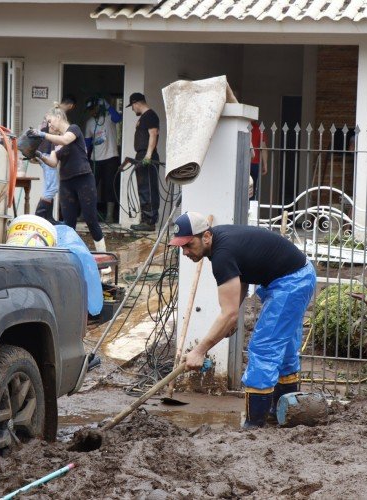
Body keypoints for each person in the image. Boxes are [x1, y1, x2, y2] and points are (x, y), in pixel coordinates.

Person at [169, 212, 317, 428]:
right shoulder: (221, 244)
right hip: (293, 276)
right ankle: (285, 413)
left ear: (206, 236)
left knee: (264, 347)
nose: (185, 252)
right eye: (181, 247)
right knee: (283, 349)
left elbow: (227, 313)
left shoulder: (222, 254)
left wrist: (199, 351)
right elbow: (242, 280)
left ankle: (254, 425)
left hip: (291, 282)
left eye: (189, 245)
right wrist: (231, 317)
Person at [30, 106, 106, 252]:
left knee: (91, 219)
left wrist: (42, 135)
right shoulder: (54, 143)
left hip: (83, 179)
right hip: (66, 183)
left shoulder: (74, 129)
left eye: (50, 121)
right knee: (68, 223)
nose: (49, 125)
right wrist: (38, 155)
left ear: (58, 117)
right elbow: (52, 162)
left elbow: (65, 140)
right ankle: (69, 255)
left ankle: (104, 256)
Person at [85, 96, 122, 223]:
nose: (92, 111)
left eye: (94, 108)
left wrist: (107, 106)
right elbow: (87, 143)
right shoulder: (89, 123)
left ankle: (109, 215)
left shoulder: (108, 118)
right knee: (90, 187)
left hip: (110, 157)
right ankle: (86, 214)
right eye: (90, 110)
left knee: (109, 187)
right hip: (95, 160)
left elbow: (118, 118)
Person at [127, 92, 160, 232]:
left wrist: (148, 155)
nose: (133, 109)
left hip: (147, 156)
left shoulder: (151, 115)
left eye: (132, 106)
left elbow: (153, 135)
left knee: (148, 188)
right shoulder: (144, 117)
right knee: (143, 188)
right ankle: (145, 219)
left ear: (136, 103)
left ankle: (150, 221)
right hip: (141, 155)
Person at [33, 120, 58, 223]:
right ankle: (39, 216)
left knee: (48, 187)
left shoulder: (44, 122)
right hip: (46, 154)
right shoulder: (53, 120)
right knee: (52, 187)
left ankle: (49, 217)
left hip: (42, 153)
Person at [249, 121, 268, 200]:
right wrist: (265, 164)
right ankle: (249, 209)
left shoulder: (242, 126)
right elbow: (263, 147)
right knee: (252, 191)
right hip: (254, 164)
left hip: (244, 163)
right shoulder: (258, 128)